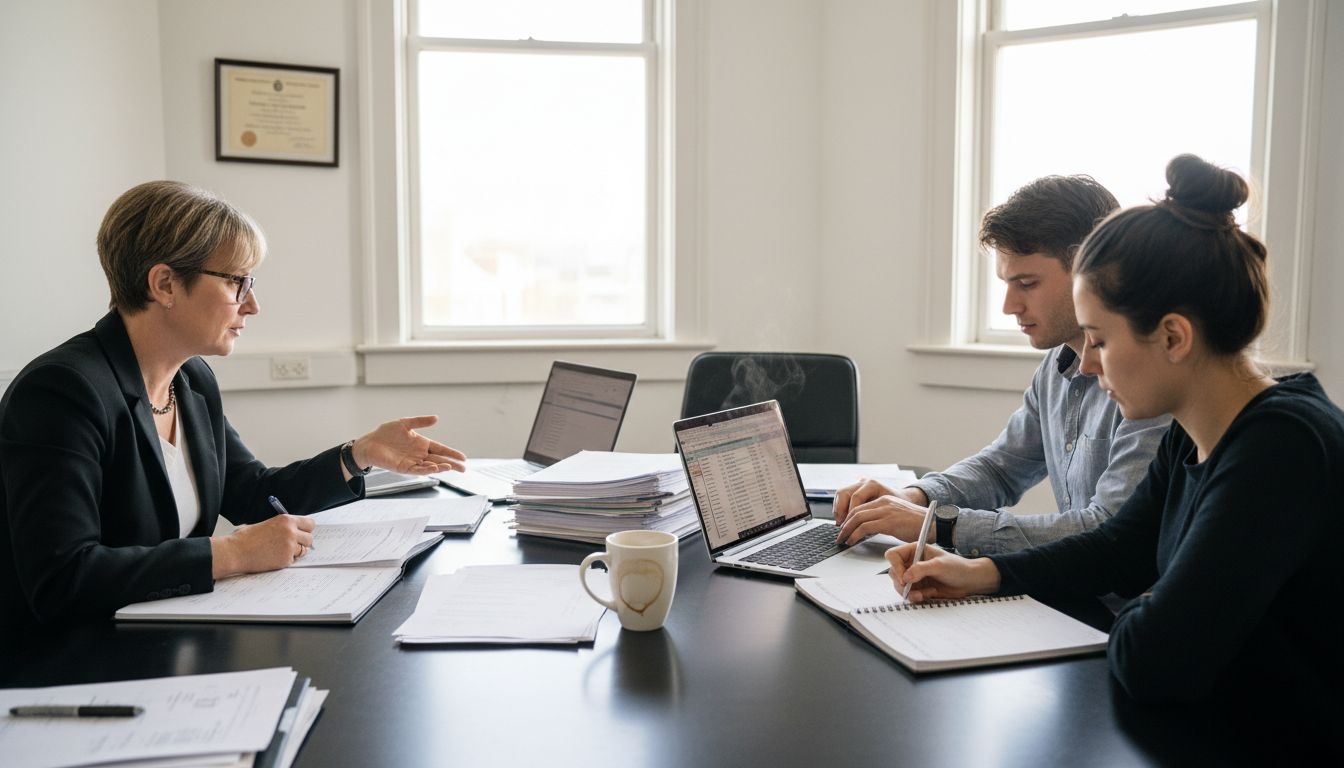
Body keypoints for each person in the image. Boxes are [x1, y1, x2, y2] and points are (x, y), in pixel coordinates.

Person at [887, 155, 1343, 721]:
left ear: (1173, 337)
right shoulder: (1191, 434)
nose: (1086, 365)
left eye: (1100, 341)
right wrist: (986, 573)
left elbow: (1157, 658)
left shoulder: (1281, 448)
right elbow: (1117, 549)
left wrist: (1151, 601)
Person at [0, 180, 467, 627]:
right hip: (71, 657)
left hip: (159, 631)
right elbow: (62, 579)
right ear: (164, 284)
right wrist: (232, 553)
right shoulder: (62, 391)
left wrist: (357, 454)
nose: (252, 304)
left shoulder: (191, 379)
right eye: (237, 283)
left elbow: (253, 493)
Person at [835, 176, 1170, 555]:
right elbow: (1002, 468)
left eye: (1026, 283)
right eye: (1006, 283)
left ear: (1091, 271)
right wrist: (916, 497)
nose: (1009, 306)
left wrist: (940, 526)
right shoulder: (1055, 367)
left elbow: (1107, 528)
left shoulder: (1150, 382)